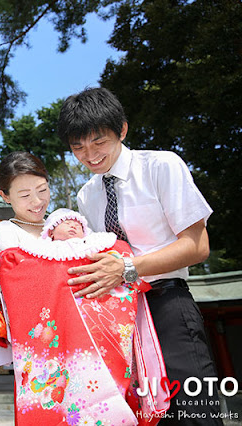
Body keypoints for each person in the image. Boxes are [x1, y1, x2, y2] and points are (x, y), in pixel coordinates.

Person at [58, 87, 221, 424]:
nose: (89, 155)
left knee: (193, 414)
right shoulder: (87, 194)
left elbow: (197, 245)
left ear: (122, 130)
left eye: (97, 141)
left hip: (167, 305)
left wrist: (127, 268)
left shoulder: (161, 166)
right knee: (139, 413)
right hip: (119, 317)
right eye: (78, 147)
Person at [0, 153, 168, 425]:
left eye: (42, 190)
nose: (37, 201)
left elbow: (104, 262)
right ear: (5, 196)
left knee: (104, 396)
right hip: (44, 336)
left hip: (91, 329)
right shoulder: (6, 230)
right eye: (25, 195)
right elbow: (20, 279)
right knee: (51, 401)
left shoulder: (64, 226)